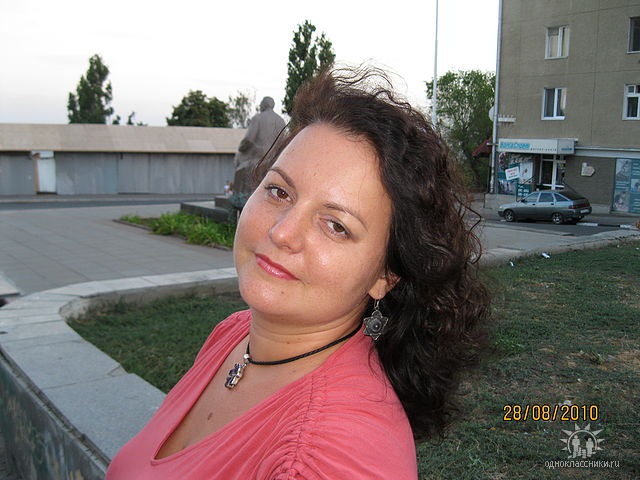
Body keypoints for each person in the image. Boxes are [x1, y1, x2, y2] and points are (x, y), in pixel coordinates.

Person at [106, 67, 490, 479]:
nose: (282, 232)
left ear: (385, 276)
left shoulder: (325, 459)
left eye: (336, 225)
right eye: (279, 191)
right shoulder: (234, 334)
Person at [233, 96, 286, 195]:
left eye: (261, 104)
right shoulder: (281, 121)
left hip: (259, 158)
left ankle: (238, 196)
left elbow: (249, 139)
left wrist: (241, 148)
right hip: (276, 160)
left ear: (264, 104)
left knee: (239, 163)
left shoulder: (258, 118)